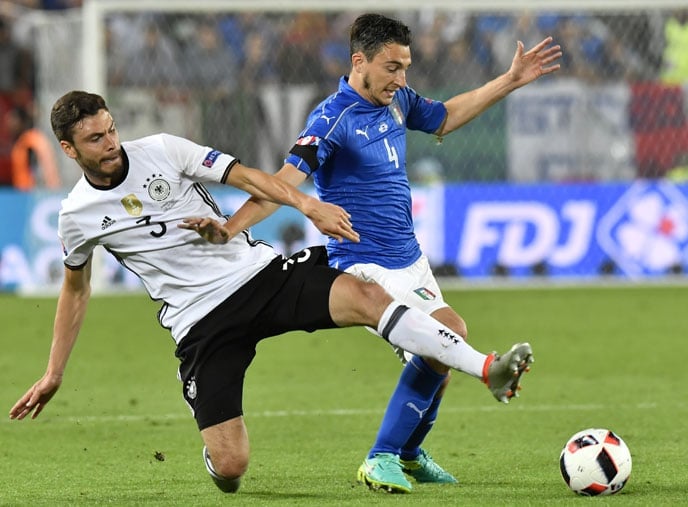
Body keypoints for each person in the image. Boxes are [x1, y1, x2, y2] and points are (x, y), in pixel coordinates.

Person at [8, 90, 532, 494]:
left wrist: (307, 206)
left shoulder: (162, 151)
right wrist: (54, 372)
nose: (111, 144)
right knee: (232, 471)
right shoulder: (75, 216)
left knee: (366, 296)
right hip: (199, 323)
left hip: (258, 275)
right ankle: (212, 430)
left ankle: (485, 368)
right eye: (96, 139)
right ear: (68, 148)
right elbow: (75, 289)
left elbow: (250, 178)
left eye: (112, 130)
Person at [185, 13, 559, 494]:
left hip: (409, 256)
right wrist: (230, 229)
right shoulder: (332, 118)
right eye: (391, 67)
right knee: (446, 335)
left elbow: (444, 116)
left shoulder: (398, 99)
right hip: (364, 263)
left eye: (405, 67)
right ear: (359, 61)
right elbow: (281, 184)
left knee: (441, 351)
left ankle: (408, 453)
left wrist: (509, 81)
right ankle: (383, 455)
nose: (401, 79)